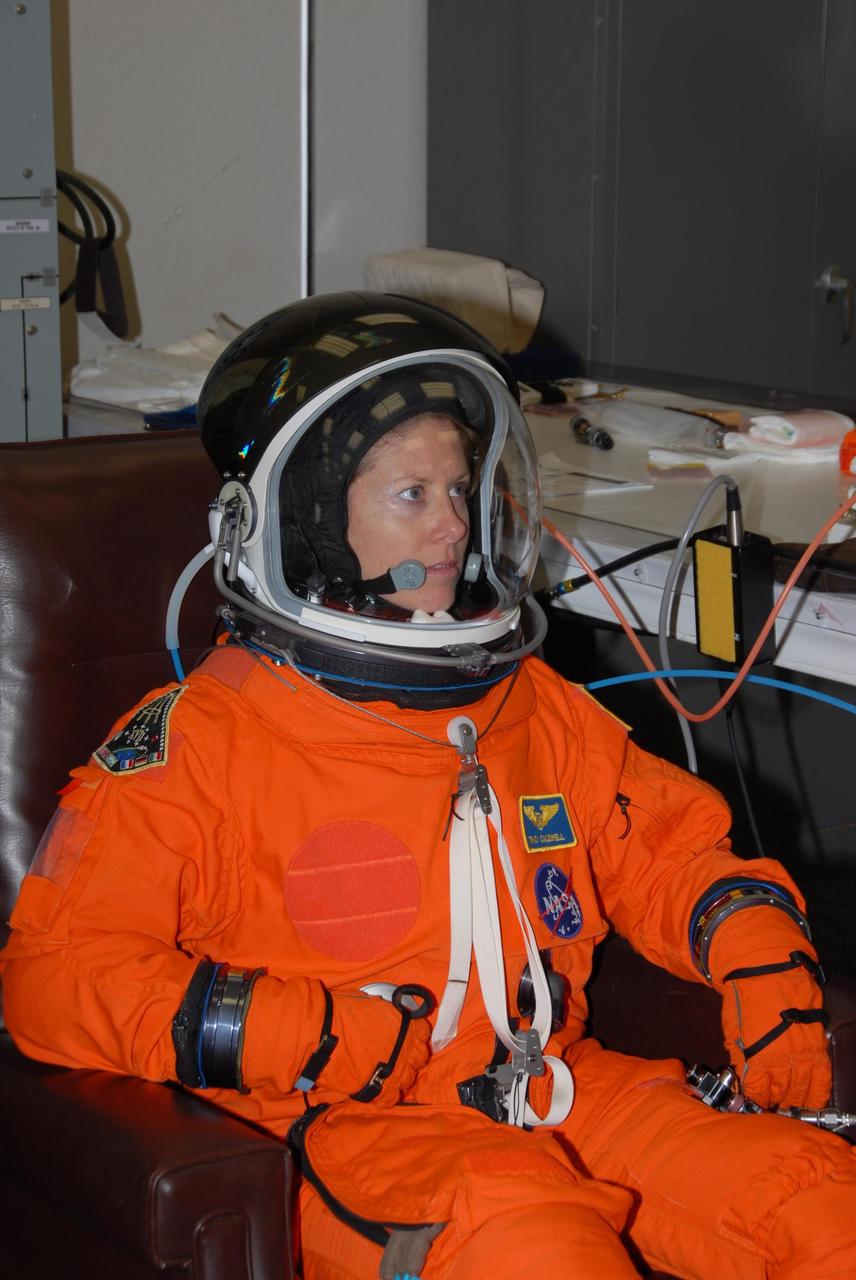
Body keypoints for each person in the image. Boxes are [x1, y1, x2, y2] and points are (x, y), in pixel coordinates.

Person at [1, 291, 854, 1280]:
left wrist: (750, 943)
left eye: (461, 489)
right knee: (540, 1246)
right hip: (353, 1127)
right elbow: (54, 976)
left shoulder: (527, 704)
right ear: (310, 521)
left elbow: (664, 846)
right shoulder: (204, 743)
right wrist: (293, 1030)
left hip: (553, 1089)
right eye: (411, 494)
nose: (452, 525)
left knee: (815, 1203)